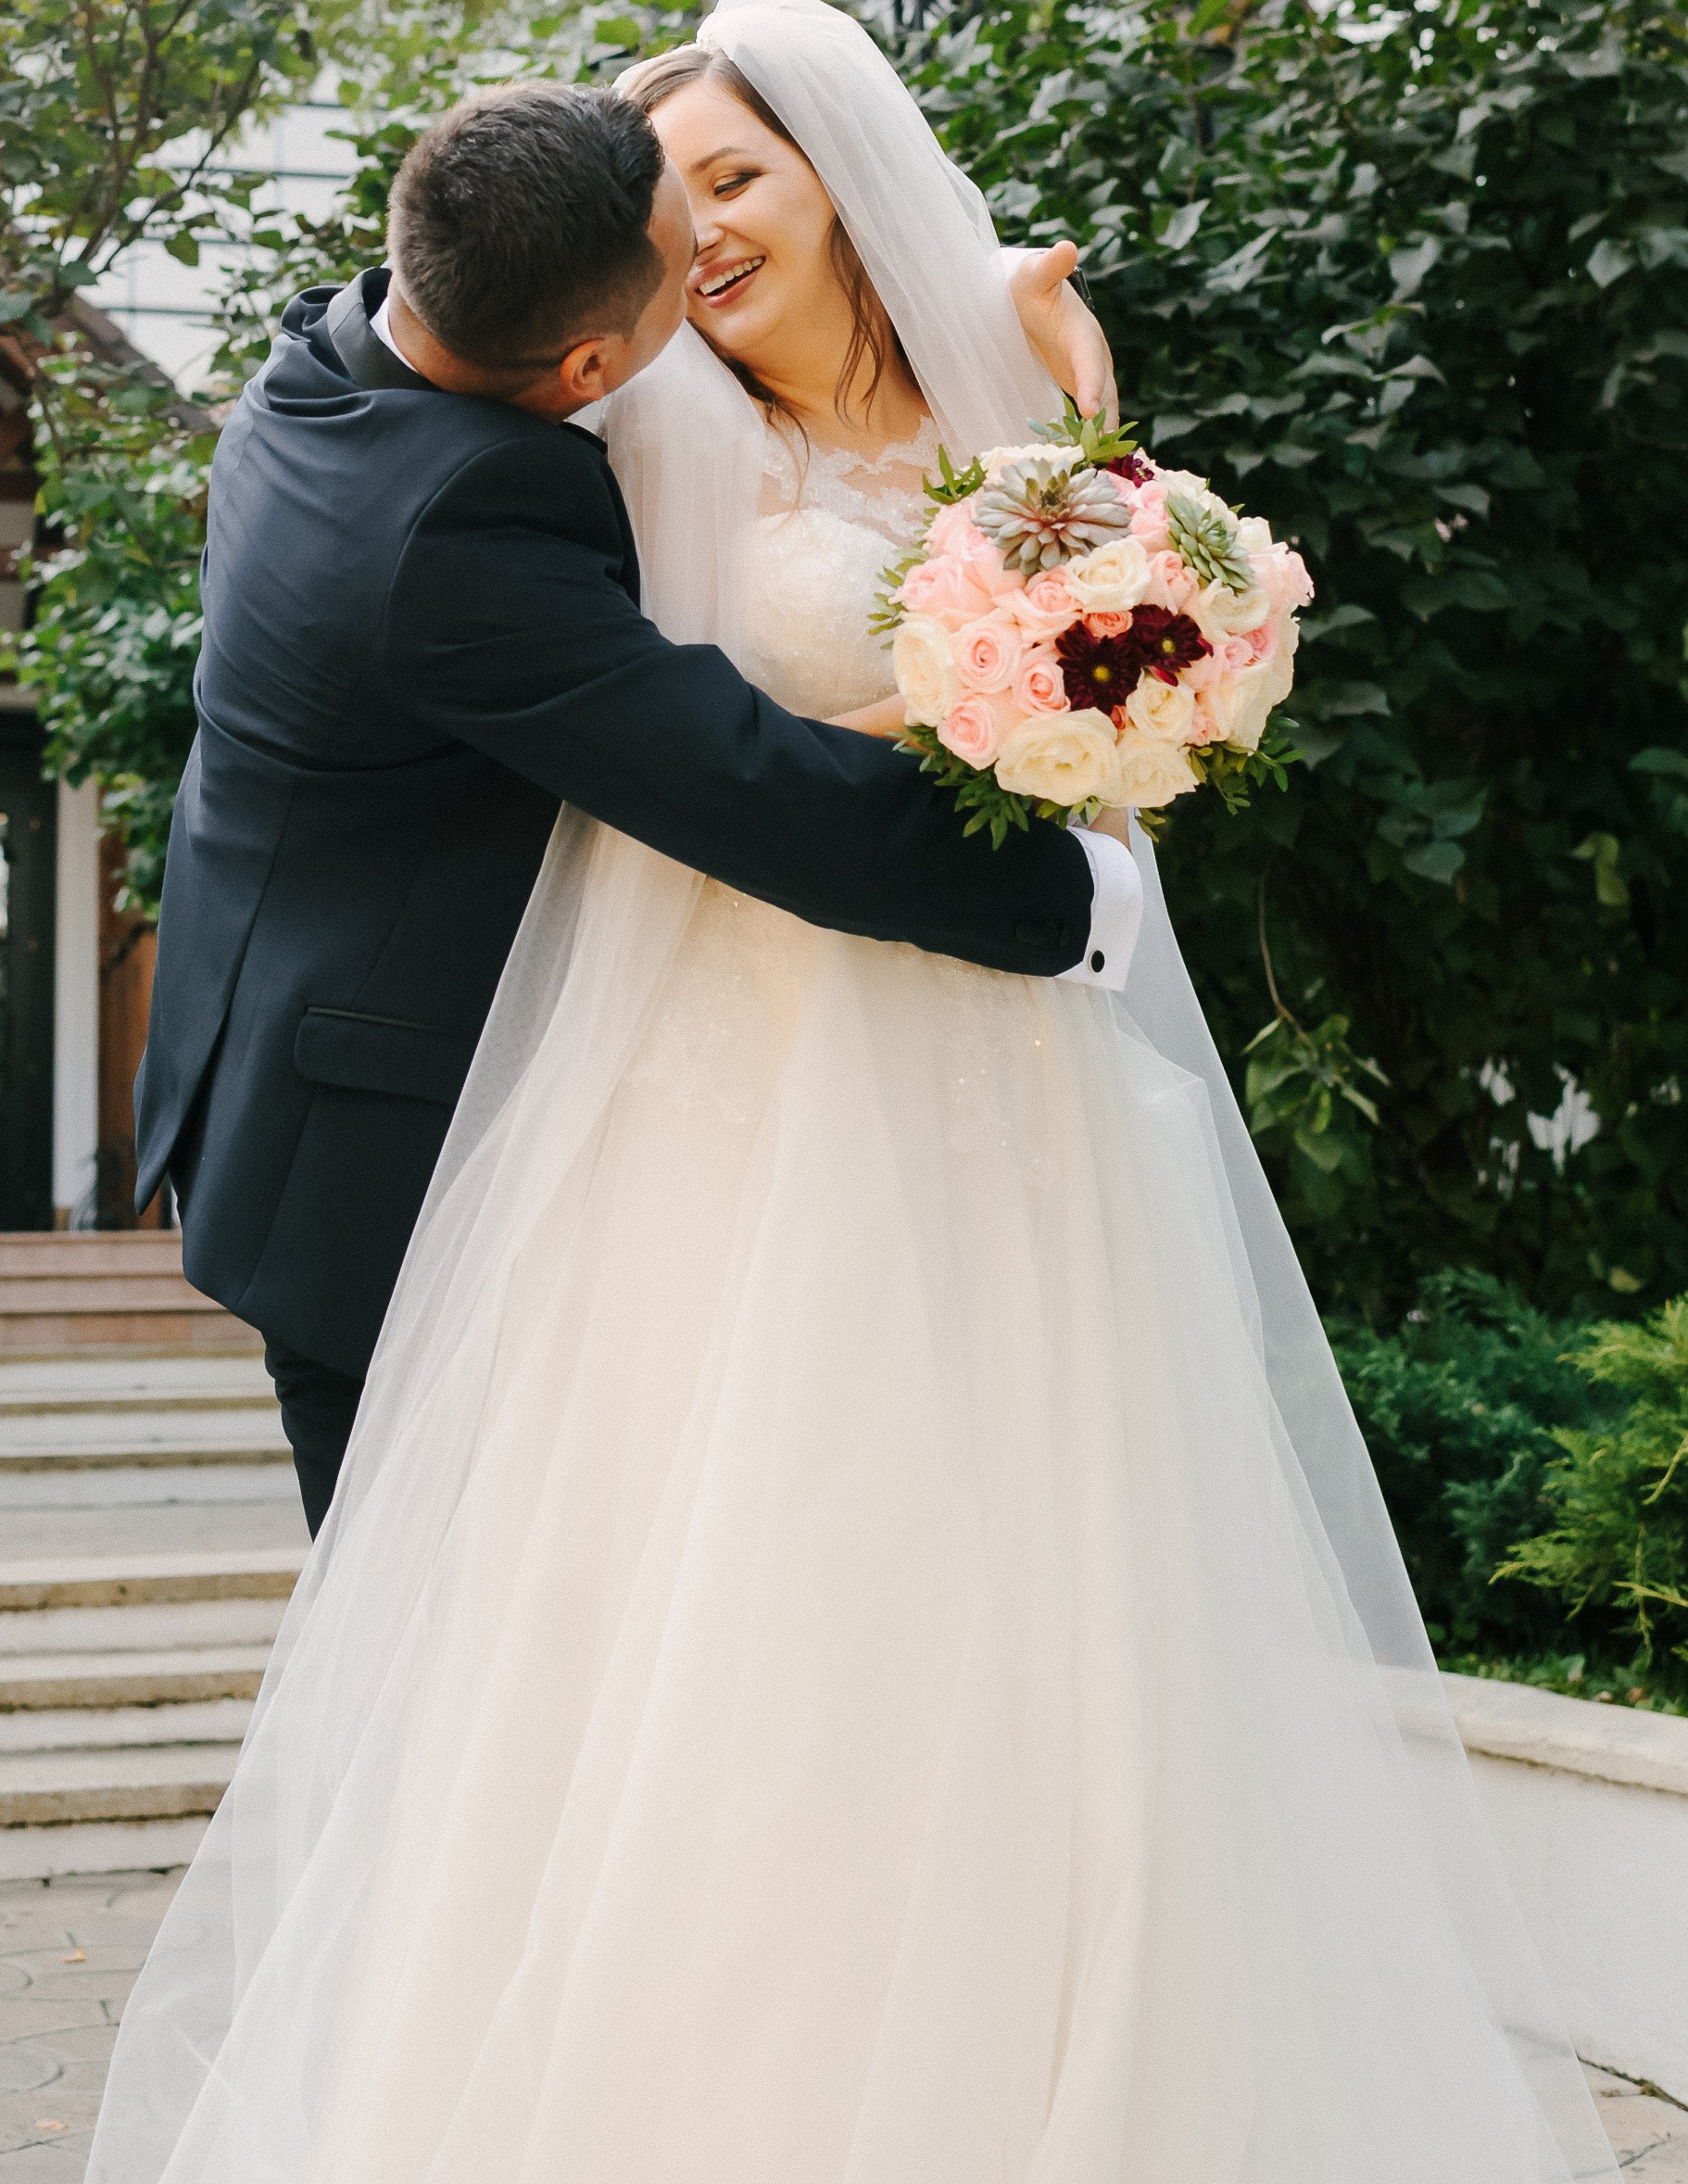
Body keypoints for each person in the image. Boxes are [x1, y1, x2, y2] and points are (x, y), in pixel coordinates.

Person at [71, 0, 1688, 2184]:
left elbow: (1111, 687)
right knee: (692, 1636)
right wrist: (1033, 887)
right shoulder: (612, 425)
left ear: (837, 174)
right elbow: (693, 740)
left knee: (1012, 1630)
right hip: (693, 1068)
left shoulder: (1012, 397)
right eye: (667, 195)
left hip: (978, 1106)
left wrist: (1102, 609)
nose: (701, 225)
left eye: (738, 175)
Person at [136, 75, 1131, 1531]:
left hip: (298, 1041)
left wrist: (974, 298)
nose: (709, 266)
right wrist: (1085, 899)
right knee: (446, 1686)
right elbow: (748, 783)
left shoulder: (335, 355)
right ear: (593, 364)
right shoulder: (452, 538)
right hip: (368, 1169)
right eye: (683, 251)